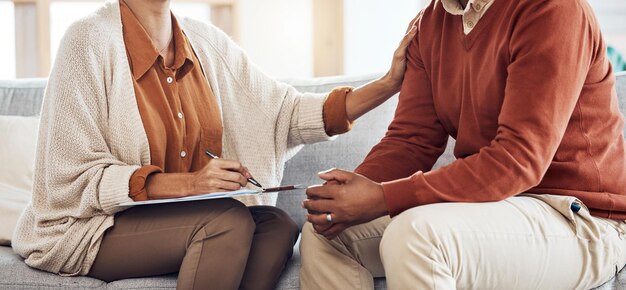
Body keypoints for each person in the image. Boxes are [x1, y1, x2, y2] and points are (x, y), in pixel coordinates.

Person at [11, 0, 417, 289]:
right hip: (87, 227)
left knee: (277, 224)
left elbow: (286, 114)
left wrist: (387, 84)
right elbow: (70, 177)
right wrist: (192, 184)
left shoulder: (206, 43)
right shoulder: (86, 42)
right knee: (226, 221)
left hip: (183, 221)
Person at [300, 0, 626, 289]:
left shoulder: (551, 9)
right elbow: (411, 141)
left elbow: (519, 160)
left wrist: (382, 197)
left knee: (416, 236)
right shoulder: (431, 22)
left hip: (579, 217)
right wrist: (347, 195)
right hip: (488, 206)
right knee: (324, 233)